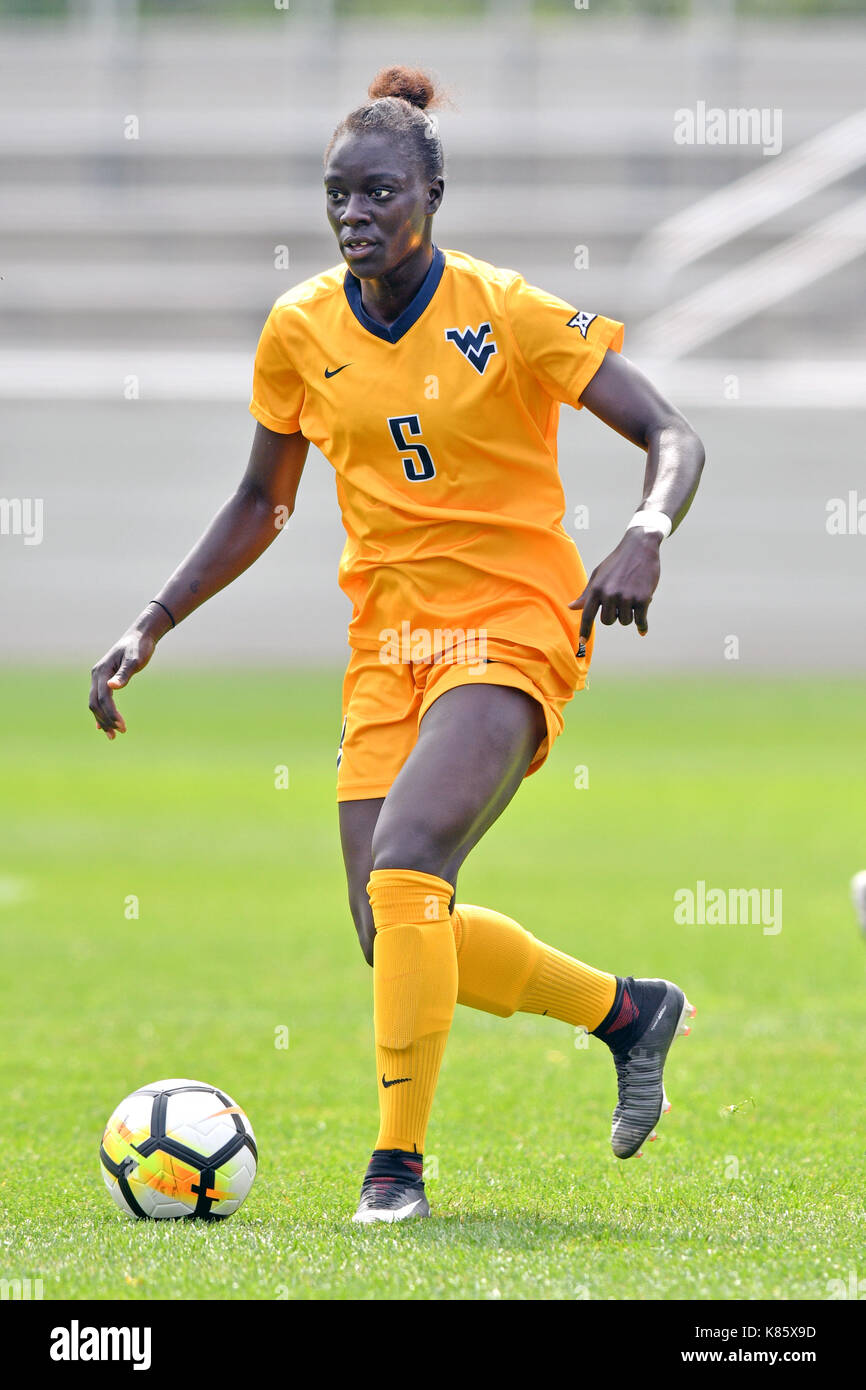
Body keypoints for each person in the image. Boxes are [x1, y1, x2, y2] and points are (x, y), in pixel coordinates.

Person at [90, 66, 705, 1224]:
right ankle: (626, 1012)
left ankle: (395, 1171)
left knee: (410, 865)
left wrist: (644, 530)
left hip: (516, 620)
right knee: (393, 932)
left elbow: (670, 432)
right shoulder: (299, 328)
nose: (353, 216)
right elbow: (259, 500)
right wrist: (150, 621)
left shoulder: (503, 309)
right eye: (337, 197)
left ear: (430, 192)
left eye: (377, 194)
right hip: (388, 639)